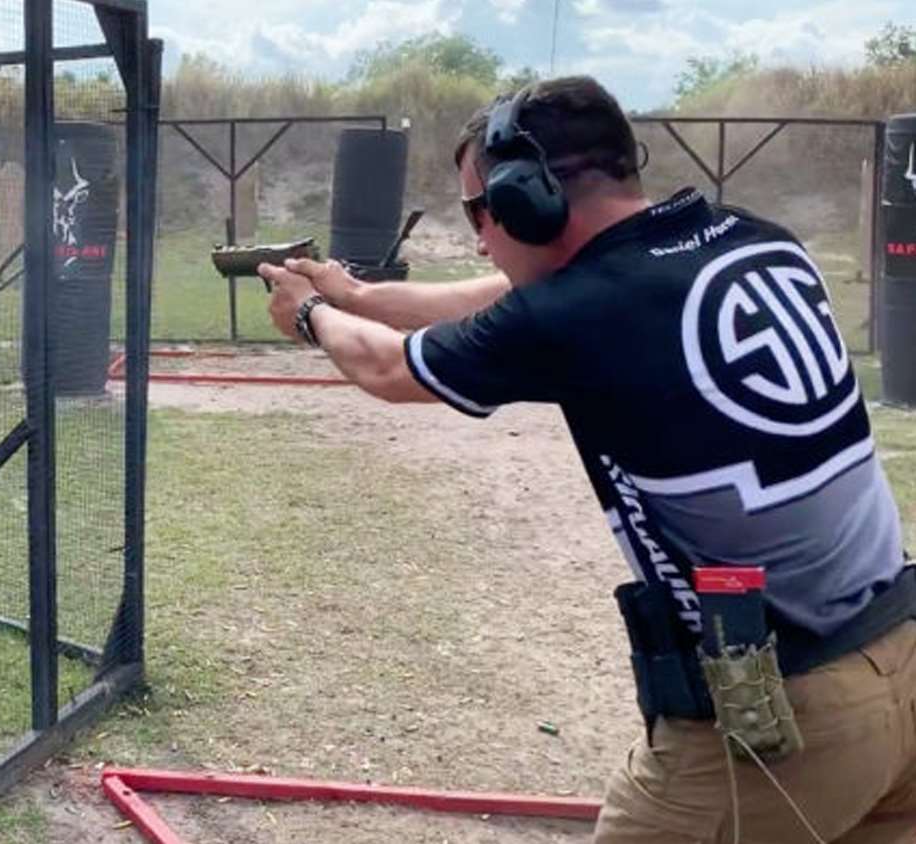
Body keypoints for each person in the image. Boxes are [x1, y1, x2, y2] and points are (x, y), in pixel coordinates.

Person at [258, 75, 916, 843]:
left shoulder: (579, 314)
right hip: (900, 661)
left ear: (527, 198)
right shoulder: (753, 236)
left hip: (787, 719)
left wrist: (308, 316)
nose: (480, 236)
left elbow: (388, 370)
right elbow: (507, 297)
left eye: (482, 211)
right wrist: (356, 295)